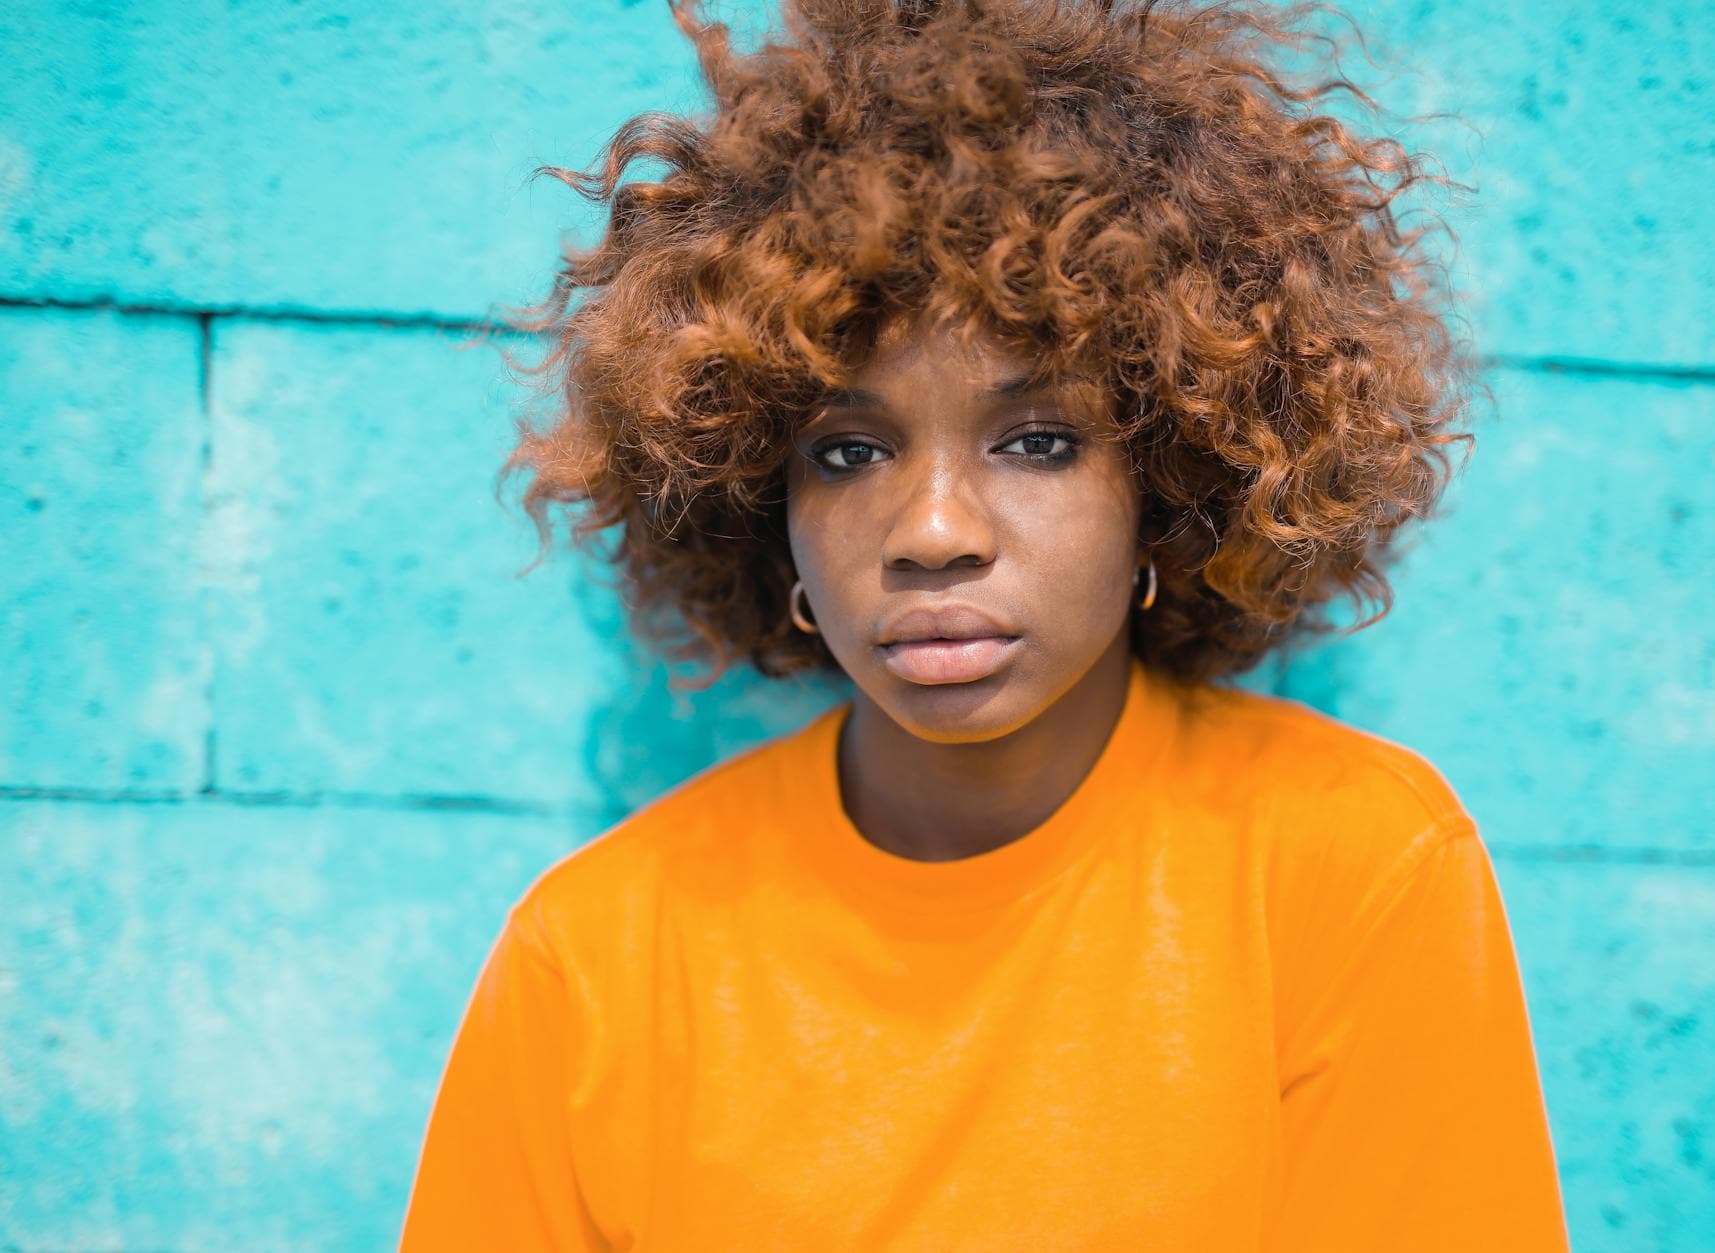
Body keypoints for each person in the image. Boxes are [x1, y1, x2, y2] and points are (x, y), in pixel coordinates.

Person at [401, 0, 1570, 1246]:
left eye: (1037, 441)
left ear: (1166, 478)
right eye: (846, 451)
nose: (934, 529)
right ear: (762, 504)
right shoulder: (593, 956)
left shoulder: (1349, 869)